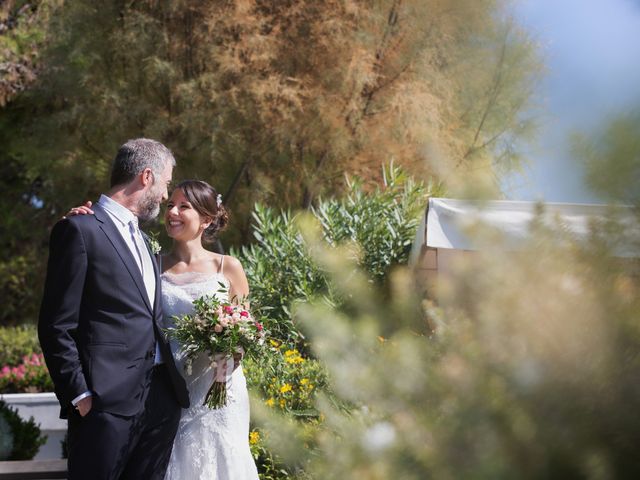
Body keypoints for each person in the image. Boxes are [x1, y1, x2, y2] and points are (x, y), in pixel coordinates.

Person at [67, 180, 260, 479]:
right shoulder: (151, 263)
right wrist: (80, 223)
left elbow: (246, 326)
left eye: (184, 206)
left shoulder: (228, 266)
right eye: (171, 204)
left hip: (219, 389)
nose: (172, 211)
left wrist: (231, 356)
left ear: (206, 219)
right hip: (168, 390)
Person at [39, 139, 190, 480]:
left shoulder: (144, 239)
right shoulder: (80, 229)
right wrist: (80, 394)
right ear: (147, 177)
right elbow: (56, 325)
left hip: (161, 401)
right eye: (166, 183)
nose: (166, 196)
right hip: (104, 405)